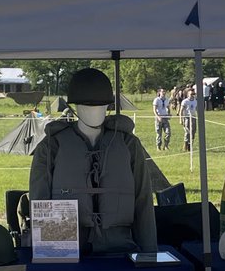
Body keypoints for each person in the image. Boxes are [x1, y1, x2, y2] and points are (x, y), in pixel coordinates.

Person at [29, 68, 157, 254]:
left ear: (107, 106)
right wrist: (50, 255)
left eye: (100, 105)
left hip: (119, 249)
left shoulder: (128, 144)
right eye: (86, 105)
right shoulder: (51, 146)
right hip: (67, 249)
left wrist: (149, 252)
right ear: (75, 107)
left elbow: (143, 200)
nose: (94, 111)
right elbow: (39, 199)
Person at [180, 87, 198, 151]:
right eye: (191, 94)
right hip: (187, 117)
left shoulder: (195, 101)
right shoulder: (185, 101)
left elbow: (196, 109)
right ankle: (186, 144)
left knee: (193, 131)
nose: (192, 95)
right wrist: (181, 119)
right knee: (188, 132)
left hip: (193, 117)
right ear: (188, 94)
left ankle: (190, 145)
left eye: (193, 94)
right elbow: (181, 111)